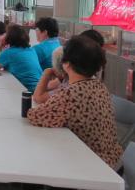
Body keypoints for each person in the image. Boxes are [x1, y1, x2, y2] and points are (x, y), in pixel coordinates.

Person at [27, 36, 123, 169]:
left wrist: (46, 74)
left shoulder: (71, 94)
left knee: (35, 161)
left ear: (66, 64)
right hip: (111, 162)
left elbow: (34, 116)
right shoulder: (99, 86)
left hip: (90, 168)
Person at [0, 24, 43, 92]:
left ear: (9, 37)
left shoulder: (9, 52)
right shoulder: (31, 50)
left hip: (26, 90)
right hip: (39, 88)